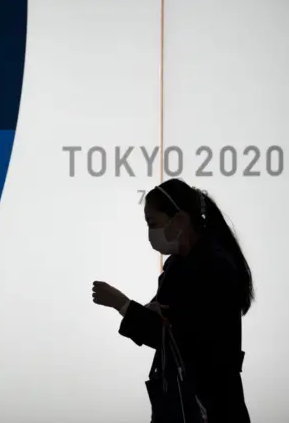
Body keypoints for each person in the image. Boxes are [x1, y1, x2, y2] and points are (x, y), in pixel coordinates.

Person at [92, 178, 252, 423]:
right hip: (178, 400)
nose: (149, 235)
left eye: (153, 223)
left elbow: (182, 340)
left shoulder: (216, 266)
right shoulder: (176, 265)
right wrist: (148, 313)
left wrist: (122, 304)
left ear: (179, 221)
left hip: (209, 404)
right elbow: (164, 328)